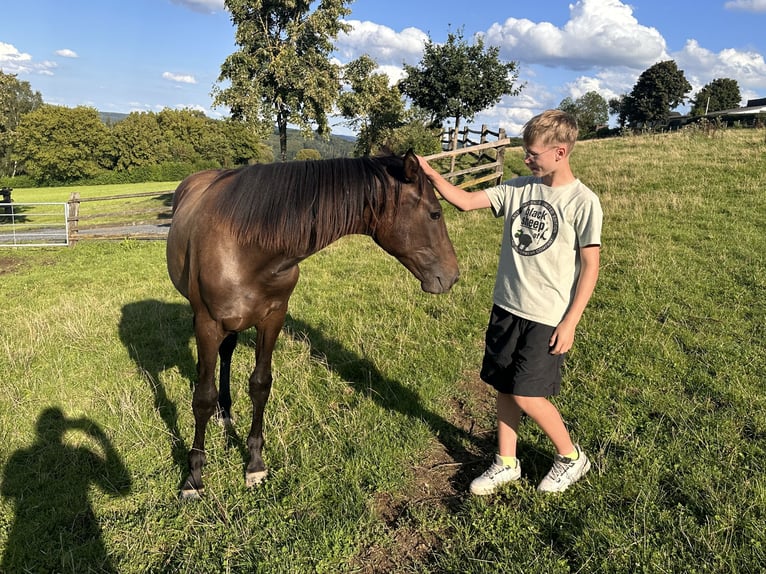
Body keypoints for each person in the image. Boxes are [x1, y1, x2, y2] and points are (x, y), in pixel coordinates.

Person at [418, 110, 602, 494]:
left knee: (526, 392)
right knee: (504, 385)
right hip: (507, 306)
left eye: (533, 153)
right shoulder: (519, 188)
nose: (526, 159)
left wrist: (570, 322)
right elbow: (466, 202)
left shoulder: (584, 203)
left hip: (547, 316)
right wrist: (432, 176)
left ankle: (571, 457)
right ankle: (505, 462)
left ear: (561, 152)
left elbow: (590, 267)